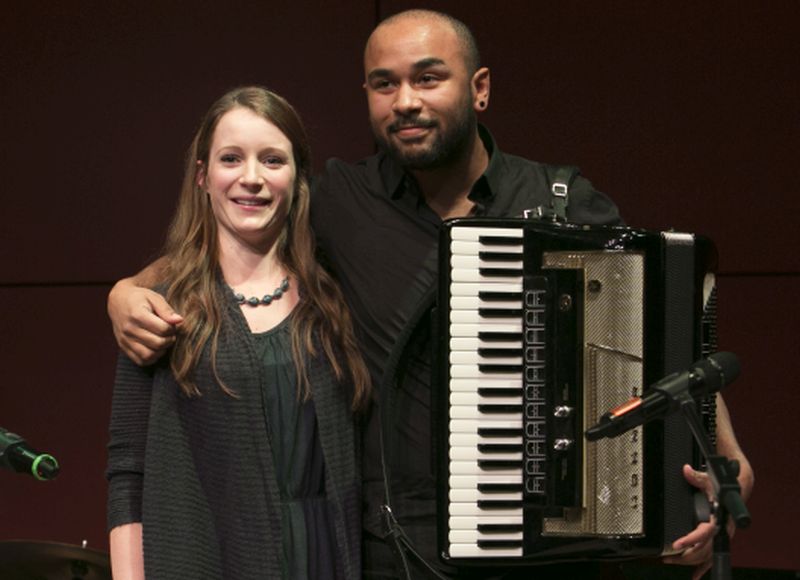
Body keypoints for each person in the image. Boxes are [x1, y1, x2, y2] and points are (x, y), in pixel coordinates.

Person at [107, 11, 753, 580]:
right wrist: (126, 290)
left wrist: (731, 463)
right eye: (384, 84)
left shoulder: (560, 200)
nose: (405, 101)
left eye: (427, 78)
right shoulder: (340, 202)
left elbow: (659, 333)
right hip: (393, 555)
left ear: (480, 89)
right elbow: (218, 246)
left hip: (540, 556)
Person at [106, 86, 369, 580]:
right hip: (213, 557)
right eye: (232, 159)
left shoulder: (335, 295)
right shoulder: (156, 306)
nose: (252, 178)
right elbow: (128, 471)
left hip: (326, 558)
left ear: (296, 177)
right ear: (203, 176)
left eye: (272, 160)